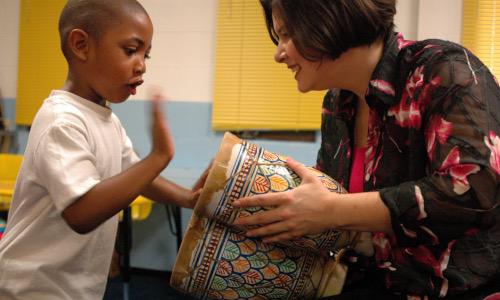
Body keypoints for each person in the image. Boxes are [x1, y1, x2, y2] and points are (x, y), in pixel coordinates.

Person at [232, 0, 500, 298]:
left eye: (285, 35)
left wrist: (330, 211)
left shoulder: (442, 70)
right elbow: (340, 214)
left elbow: (476, 192)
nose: (278, 54)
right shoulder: (338, 103)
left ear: (328, 20)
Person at [0, 1, 204, 299]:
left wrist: (187, 198)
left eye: (146, 54)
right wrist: (158, 157)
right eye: (130, 50)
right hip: (31, 287)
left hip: (75, 288)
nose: (142, 65)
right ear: (81, 45)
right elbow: (81, 213)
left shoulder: (107, 120)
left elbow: (135, 176)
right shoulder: (61, 120)